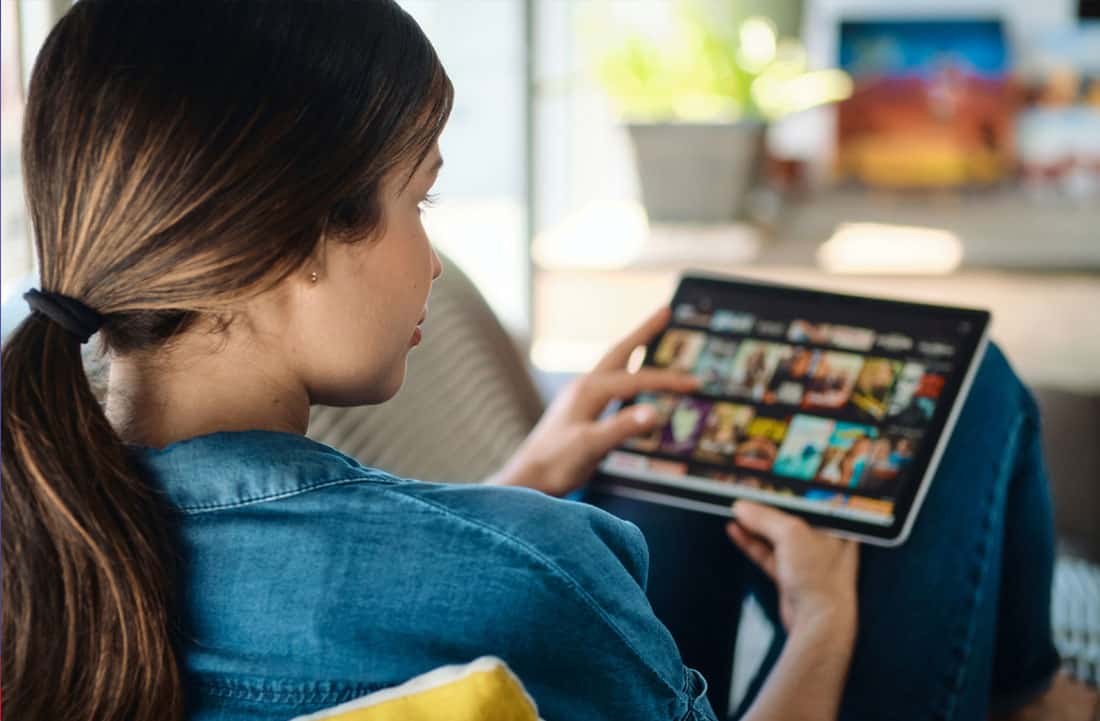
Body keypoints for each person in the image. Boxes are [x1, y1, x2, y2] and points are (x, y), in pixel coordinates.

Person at [1, 2, 1094, 721]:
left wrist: (520, 478)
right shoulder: (531, 570)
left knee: (653, 444)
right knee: (973, 392)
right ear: (291, 242)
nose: (432, 258)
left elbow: (345, 585)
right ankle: (1031, 695)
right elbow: (464, 595)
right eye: (416, 199)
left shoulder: (36, 526)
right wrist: (821, 621)